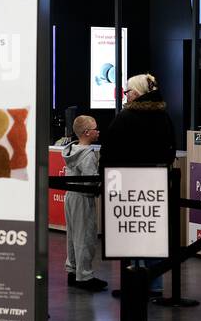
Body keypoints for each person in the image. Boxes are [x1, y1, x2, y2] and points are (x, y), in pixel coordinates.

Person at [98, 73, 177, 297]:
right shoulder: (163, 116)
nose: (126, 95)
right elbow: (171, 148)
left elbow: (110, 149)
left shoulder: (126, 117)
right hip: (156, 184)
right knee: (152, 232)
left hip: (127, 183)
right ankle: (154, 285)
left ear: (138, 93)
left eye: (128, 91)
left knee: (131, 234)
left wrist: (106, 177)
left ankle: (133, 284)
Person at [60, 115, 107, 292]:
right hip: (83, 198)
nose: (98, 131)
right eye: (95, 128)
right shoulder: (87, 155)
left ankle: (72, 270)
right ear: (87, 132)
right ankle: (84, 276)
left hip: (70, 197)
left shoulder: (71, 151)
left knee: (72, 236)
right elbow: (90, 182)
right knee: (85, 236)